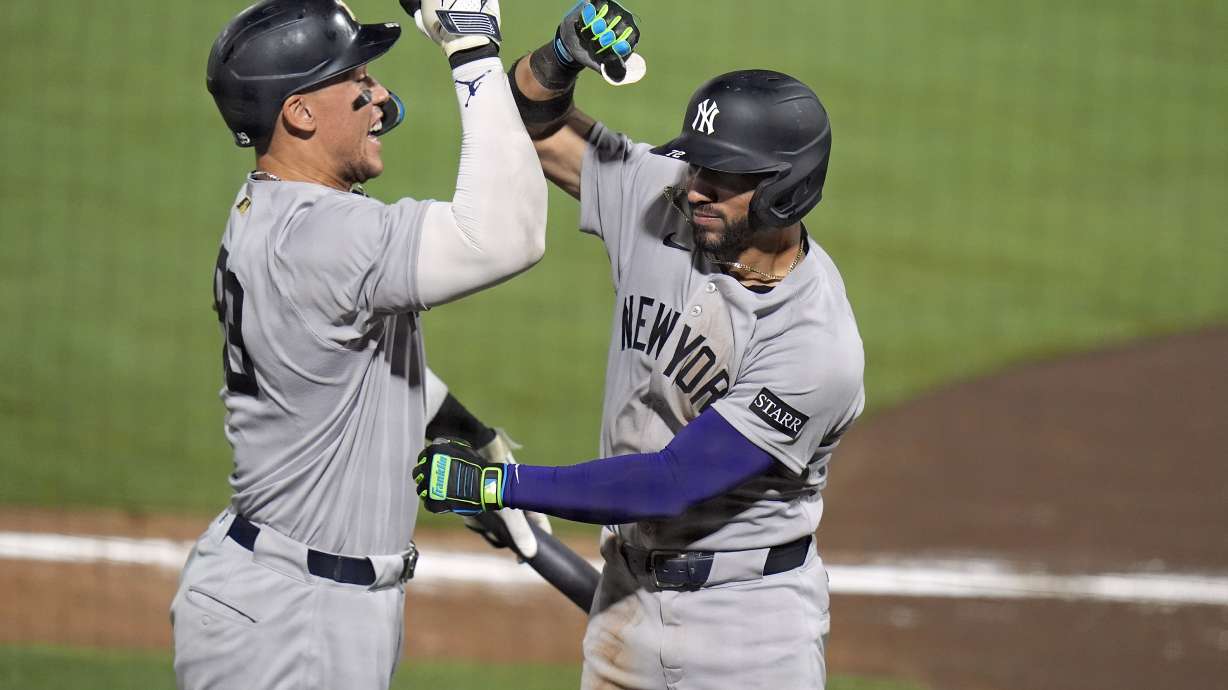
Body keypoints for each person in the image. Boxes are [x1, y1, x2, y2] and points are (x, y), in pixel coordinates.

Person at [414, 2, 866, 688]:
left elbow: (669, 482)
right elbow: (524, 129)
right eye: (696, 165)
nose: (697, 188)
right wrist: (561, 56)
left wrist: (498, 487)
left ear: (786, 191)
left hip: (749, 631)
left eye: (725, 177)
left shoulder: (815, 344)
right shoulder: (665, 199)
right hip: (626, 597)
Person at [171, 1, 559, 688]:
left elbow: (343, 372)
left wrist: (468, 431)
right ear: (300, 114)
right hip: (296, 623)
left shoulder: (270, 210)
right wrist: (471, 50)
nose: (380, 97)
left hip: (284, 597)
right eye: (356, 78)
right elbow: (509, 235)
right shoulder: (325, 237)